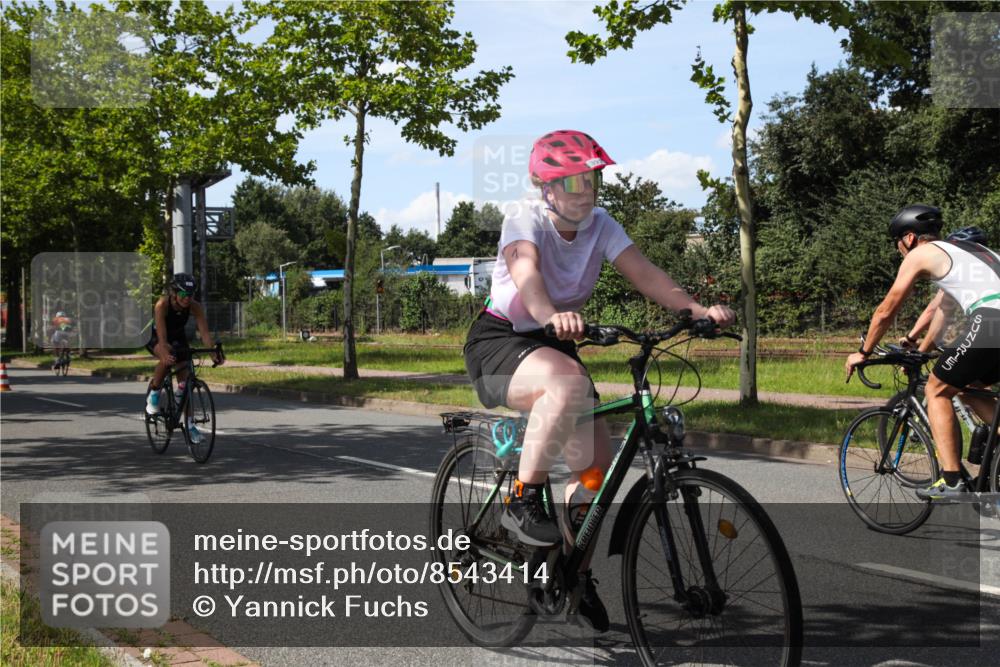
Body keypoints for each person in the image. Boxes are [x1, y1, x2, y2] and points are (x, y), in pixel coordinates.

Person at [464, 129, 736, 631]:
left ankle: (574, 575)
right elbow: (526, 273)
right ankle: (520, 501)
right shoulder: (524, 217)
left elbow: (645, 272)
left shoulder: (602, 225)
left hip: (554, 343)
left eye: (591, 178)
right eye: (571, 180)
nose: (584, 189)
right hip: (501, 340)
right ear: (546, 187)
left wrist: (696, 309)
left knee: (596, 474)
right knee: (566, 384)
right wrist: (549, 314)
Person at [845, 206, 1000, 499]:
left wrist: (863, 352)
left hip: (993, 319)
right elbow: (943, 309)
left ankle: (951, 480)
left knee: (936, 390)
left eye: (898, 243)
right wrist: (922, 347)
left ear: (910, 237)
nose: (899, 250)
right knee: (968, 386)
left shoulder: (921, 254)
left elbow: (887, 308)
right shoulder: (969, 251)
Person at [145, 273, 223, 444]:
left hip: (178, 336)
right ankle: (154, 393)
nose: (187, 299)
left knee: (186, 381)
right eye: (183, 295)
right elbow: (163, 338)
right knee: (168, 358)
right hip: (157, 336)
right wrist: (165, 349)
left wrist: (213, 352)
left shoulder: (195, 307)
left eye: (190, 295)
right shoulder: (162, 304)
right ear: (174, 293)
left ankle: (190, 425)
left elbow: (204, 334)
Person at [899, 227, 989, 352]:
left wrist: (917, 348)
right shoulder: (988, 266)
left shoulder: (963, 272)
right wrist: (912, 339)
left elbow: (936, 311)